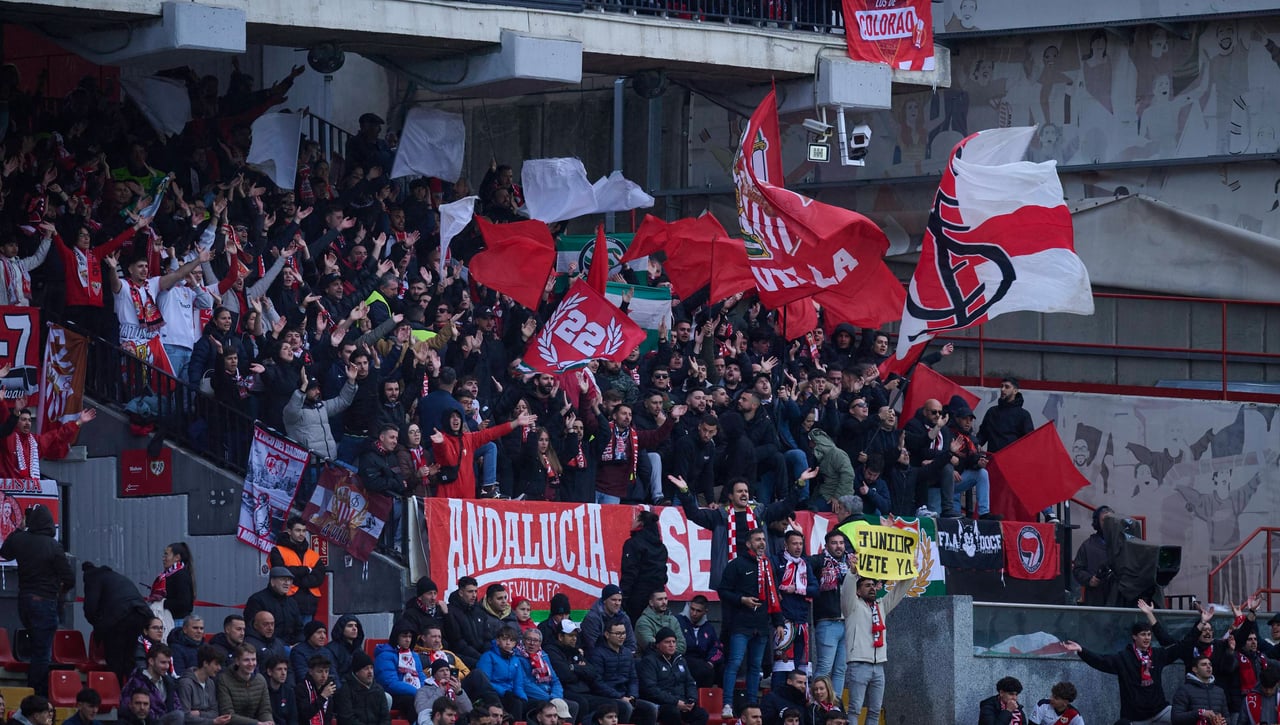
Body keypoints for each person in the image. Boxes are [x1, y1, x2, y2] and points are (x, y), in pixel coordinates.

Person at [0, 503, 74, 695]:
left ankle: (32, 693)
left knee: (36, 649)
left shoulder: (21, 540)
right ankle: (37, 695)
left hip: (24, 602)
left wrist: (19, 528)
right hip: (45, 602)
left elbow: (5, 552)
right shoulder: (53, 546)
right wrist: (60, 591)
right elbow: (69, 578)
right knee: (42, 653)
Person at [1063, 614, 1184, 725]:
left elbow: (1181, 647)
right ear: (1134, 637)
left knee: (1186, 717)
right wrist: (1082, 651)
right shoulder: (1123, 658)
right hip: (1135, 717)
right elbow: (1101, 661)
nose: (1147, 638)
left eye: (1149, 634)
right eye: (1143, 634)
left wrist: (1200, 625)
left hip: (1160, 711)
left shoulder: (1157, 655)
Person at [717, 528, 783, 719]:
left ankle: (753, 705)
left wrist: (778, 622)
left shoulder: (768, 564)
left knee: (756, 667)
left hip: (761, 625)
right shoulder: (736, 564)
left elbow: (773, 597)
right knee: (735, 663)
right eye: (757, 540)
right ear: (748, 544)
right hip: (740, 624)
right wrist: (742, 600)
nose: (762, 542)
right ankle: (727, 704)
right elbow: (723, 591)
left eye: (763, 539)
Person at [840, 575, 911, 725]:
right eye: (867, 585)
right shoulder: (851, 606)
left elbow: (898, 591)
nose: (872, 588)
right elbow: (847, 590)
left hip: (879, 666)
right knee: (854, 710)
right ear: (858, 591)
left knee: (875, 711)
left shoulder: (881, 606)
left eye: (873, 585)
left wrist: (910, 573)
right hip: (858, 664)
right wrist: (853, 574)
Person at [82, 560, 155, 683]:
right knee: (130, 657)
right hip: (141, 614)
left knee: (115, 658)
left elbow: (90, 607)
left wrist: (98, 624)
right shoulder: (116, 577)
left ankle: (115, 691)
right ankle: (132, 690)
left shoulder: (93, 577)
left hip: (119, 618)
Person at [809, 529, 854, 694]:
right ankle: (818, 705)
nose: (839, 546)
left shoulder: (852, 563)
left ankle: (836, 707)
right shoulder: (820, 561)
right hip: (827, 621)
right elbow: (803, 562)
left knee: (841, 669)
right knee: (824, 667)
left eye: (841, 543)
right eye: (834, 543)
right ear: (827, 546)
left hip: (847, 622)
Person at [588, 621, 657, 725]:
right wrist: (619, 696)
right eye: (618, 634)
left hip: (626, 696)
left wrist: (632, 695)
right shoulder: (597, 654)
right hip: (607, 697)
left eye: (624, 633)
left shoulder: (627, 653)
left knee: (650, 708)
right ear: (607, 635)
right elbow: (597, 682)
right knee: (626, 707)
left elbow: (633, 679)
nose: (622, 637)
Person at [773, 530, 816, 689]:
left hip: (802, 622)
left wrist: (797, 588)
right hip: (784, 622)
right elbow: (771, 585)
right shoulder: (776, 561)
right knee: (782, 667)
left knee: (799, 668)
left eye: (800, 543)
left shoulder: (805, 563)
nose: (798, 547)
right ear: (786, 544)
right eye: (794, 543)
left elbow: (815, 589)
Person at [637, 628, 707, 725]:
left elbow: (690, 682)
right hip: (662, 704)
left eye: (674, 642)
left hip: (682, 702)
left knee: (702, 714)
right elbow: (651, 689)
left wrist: (691, 699)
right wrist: (675, 702)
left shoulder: (680, 660)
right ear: (658, 645)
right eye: (667, 642)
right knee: (672, 712)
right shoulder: (649, 661)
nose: (671, 645)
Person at [268, 517, 326, 625]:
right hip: (285, 603)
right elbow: (281, 572)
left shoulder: (312, 554)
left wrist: (296, 577)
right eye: (298, 530)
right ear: (289, 531)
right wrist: (306, 570)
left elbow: (319, 577)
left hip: (308, 606)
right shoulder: (278, 551)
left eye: (304, 531)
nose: (302, 534)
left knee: (305, 638)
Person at [620, 511, 669, 624]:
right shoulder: (662, 547)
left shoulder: (633, 544)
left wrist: (624, 596)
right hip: (657, 595)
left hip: (637, 596)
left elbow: (629, 572)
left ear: (640, 523)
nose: (632, 521)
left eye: (636, 519)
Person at [373, 624, 426, 715]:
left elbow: (421, 676)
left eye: (410, 636)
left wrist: (425, 691)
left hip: (416, 693)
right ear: (396, 637)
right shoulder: (384, 656)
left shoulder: (414, 656)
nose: (408, 640)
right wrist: (417, 692)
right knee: (412, 701)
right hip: (393, 695)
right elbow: (390, 683)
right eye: (404, 636)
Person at [244, 568, 304, 646]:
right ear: (272, 582)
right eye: (283, 579)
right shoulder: (257, 600)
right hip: (267, 645)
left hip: (291, 646)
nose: (287, 583)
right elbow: (251, 629)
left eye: (289, 580)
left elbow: (300, 629)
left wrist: (298, 644)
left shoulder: (292, 603)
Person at [176, 645, 233, 725]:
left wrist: (199, 713)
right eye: (216, 664)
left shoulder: (210, 683)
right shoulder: (186, 684)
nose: (219, 668)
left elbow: (215, 712)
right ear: (205, 663)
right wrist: (212, 721)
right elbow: (186, 716)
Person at [217, 645, 274, 725]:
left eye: (253, 659)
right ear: (237, 661)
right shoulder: (224, 680)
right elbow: (228, 715)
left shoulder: (261, 680)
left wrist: (269, 722)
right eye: (246, 660)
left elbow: (265, 710)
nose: (251, 664)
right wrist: (257, 724)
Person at [476, 628, 527, 717]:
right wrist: (504, 692)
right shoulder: (488, 656)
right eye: (504, 639)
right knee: (516, 704)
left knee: (529, 705)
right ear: (497, 641)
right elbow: (484, 681)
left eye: (511, 640)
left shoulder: (516, 660)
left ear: (515, 644)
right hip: (493, 695)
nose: (508, 643)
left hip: (510, 695)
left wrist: (523, 699)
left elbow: (518, 685)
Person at [122, 643, 181, 721]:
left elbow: (177, 705)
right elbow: (127, 707)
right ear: (151, 661)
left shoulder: (168, 682)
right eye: (163, 662)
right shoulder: (136, 681)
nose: (167, 666)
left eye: (168, 663)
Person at [332, 650, 390, 725]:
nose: (370, 672)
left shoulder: (378, 689)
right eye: (366, 669)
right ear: (357, 672)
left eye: (371, 668)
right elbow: (347, 719)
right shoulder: (346, 691)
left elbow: (385, 718)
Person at [677, 596, 723, 689]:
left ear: (705, 612)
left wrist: (711, 661)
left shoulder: (708, 627)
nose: (694, 613)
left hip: (703, 660)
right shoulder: (679, 621)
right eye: (692, 609)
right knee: (703, 670)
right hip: (684, 657)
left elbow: (717, 647)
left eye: (698, 611)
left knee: (722, 669)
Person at [1072, 506, 1114, 606]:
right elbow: (1078, 569)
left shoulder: (1123, 544)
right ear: (1097, 523)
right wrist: (1089, 579)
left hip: (1118, 598)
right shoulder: (1087, 545)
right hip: (1096, 598)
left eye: (1111, 520)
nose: (1108, 524)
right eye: (1104, 520)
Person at [580, 585, 637, 658]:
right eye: (614, 600)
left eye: (619, 600)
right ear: (604, 600)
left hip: (621, 657)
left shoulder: (624, 618)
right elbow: (593, 646)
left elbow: (631, 643)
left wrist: (624, 656)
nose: (617, 603)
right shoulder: (592, 618)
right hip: (598, 659)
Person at [147, 543, 195, 628]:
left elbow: (184, 603)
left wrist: (161, 603)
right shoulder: (168, 575)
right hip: (169, 619)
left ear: (177, 557)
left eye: (166, 555)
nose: (163, 558)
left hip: (177, 623)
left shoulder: (181, 575)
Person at [1171, 656, 1228, 725]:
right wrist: (1200, 713)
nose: (1208, 667)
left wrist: (1224, 722)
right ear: (1195, 669)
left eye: (1210, 664)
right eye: (1204, 664)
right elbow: (1176, 718)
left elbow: (1227, 717)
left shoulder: (1219, 691)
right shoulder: (1184, 690)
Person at [414, 659, 472, 724]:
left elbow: (468, 710)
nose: (445, 673)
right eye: (441, 671)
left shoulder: (456, 688)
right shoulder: (423, 690)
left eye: (447, 670)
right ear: (434, 675)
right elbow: (421, 710)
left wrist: (459, 693)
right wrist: (440, 691)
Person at [398, 578, 448, 648]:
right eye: (429, 593)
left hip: (442, 650)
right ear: (420, 597)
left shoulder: (440, 610)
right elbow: (412, 638)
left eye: (435, 593)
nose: (433, 597)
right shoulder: (411, 614)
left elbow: (451, 635)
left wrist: (446, 615)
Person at [635, 590, 683, 656]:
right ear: (651, 602)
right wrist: (671, 649)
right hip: (650, 662)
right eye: (660, 599)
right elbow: (651, 647)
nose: (664, 602)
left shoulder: (673, 620)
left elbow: (682, 646)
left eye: (666, 599)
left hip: (673, 661)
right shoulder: (643, 622)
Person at [296, 655, 337, 725]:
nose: (324, 675)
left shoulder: (328, 687)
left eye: (326, 671)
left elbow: (328, 718)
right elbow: (306, 715)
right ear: (310, 671)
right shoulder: (301, 688)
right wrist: (323, 697)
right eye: (320, 671)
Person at [263, 656, 297, 725]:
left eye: (285, 669)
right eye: (279, 669)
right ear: (269, 672)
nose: (283, 673)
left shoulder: (289, 691)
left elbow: (293, 718)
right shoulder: (263, 691)